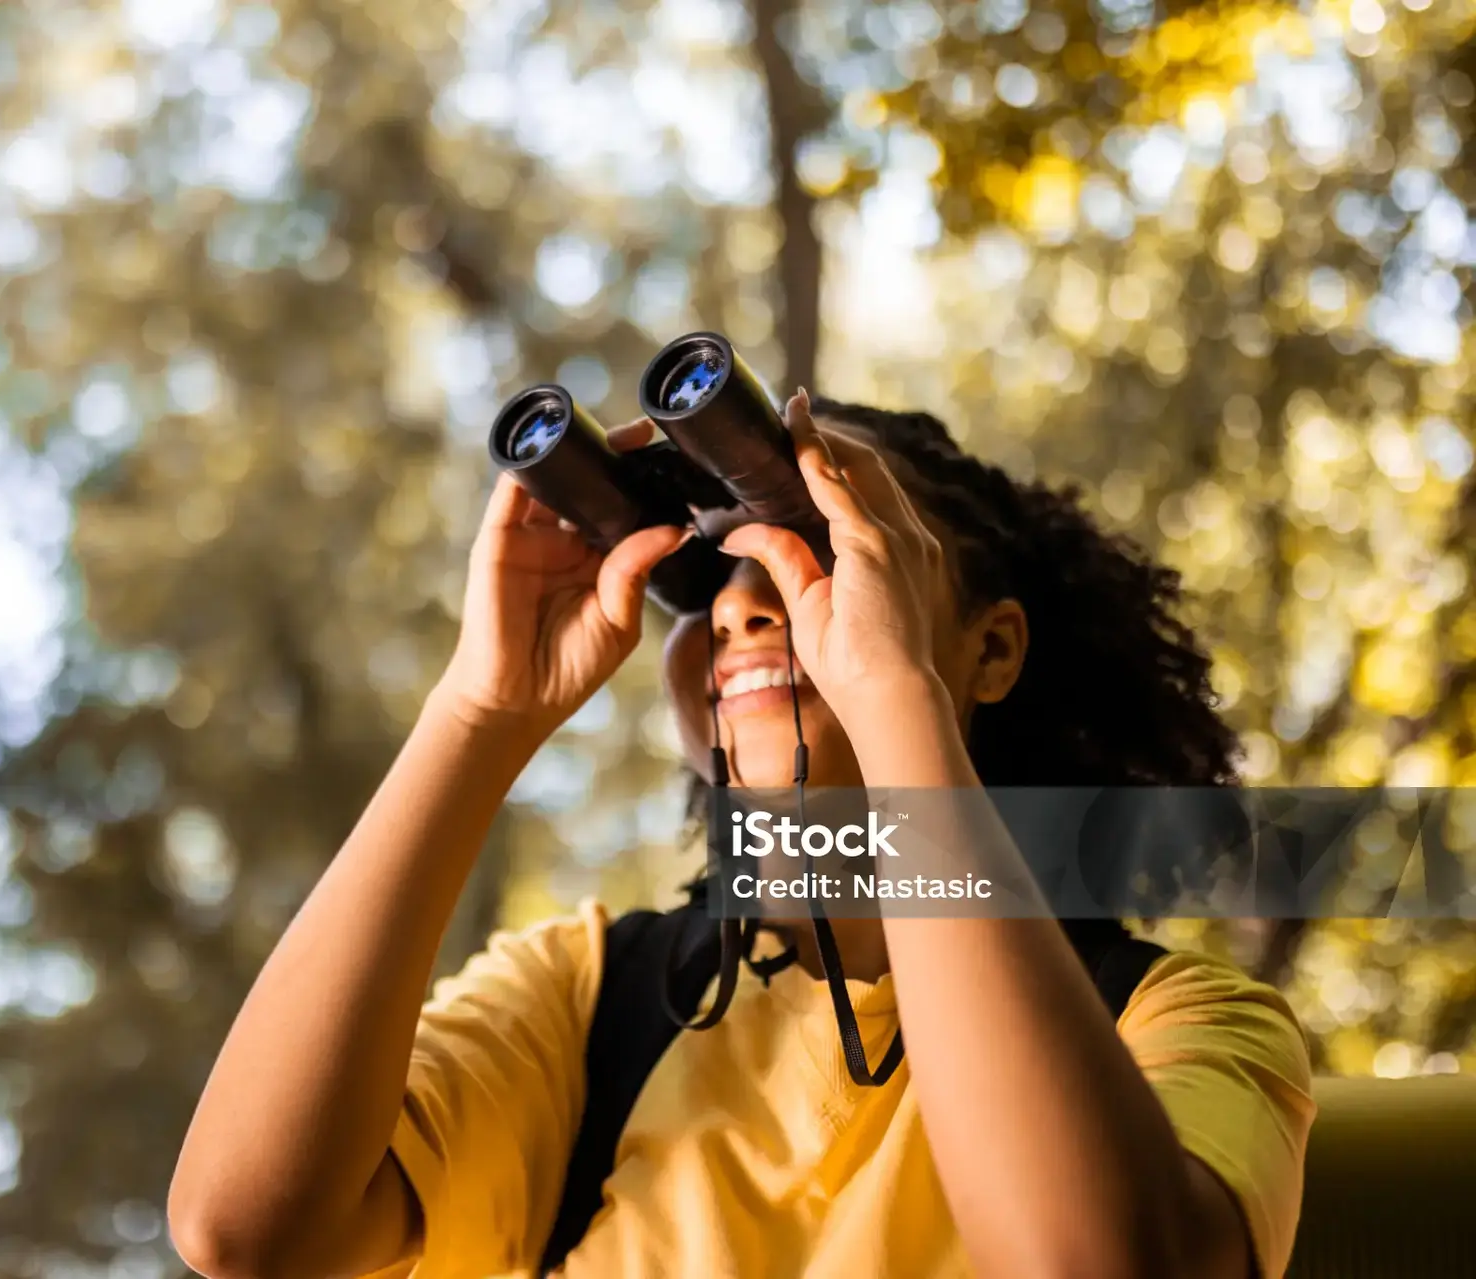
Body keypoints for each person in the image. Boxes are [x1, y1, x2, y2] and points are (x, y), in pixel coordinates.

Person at [167, 390, 1315, 1279]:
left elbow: (1097, 1263)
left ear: (992, 648)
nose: (740, 600)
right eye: (703, 572)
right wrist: (480, 712)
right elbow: (245, 1227)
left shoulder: (1178, 1020)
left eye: (815, 546)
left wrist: (894, 691)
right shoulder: (590, 997)